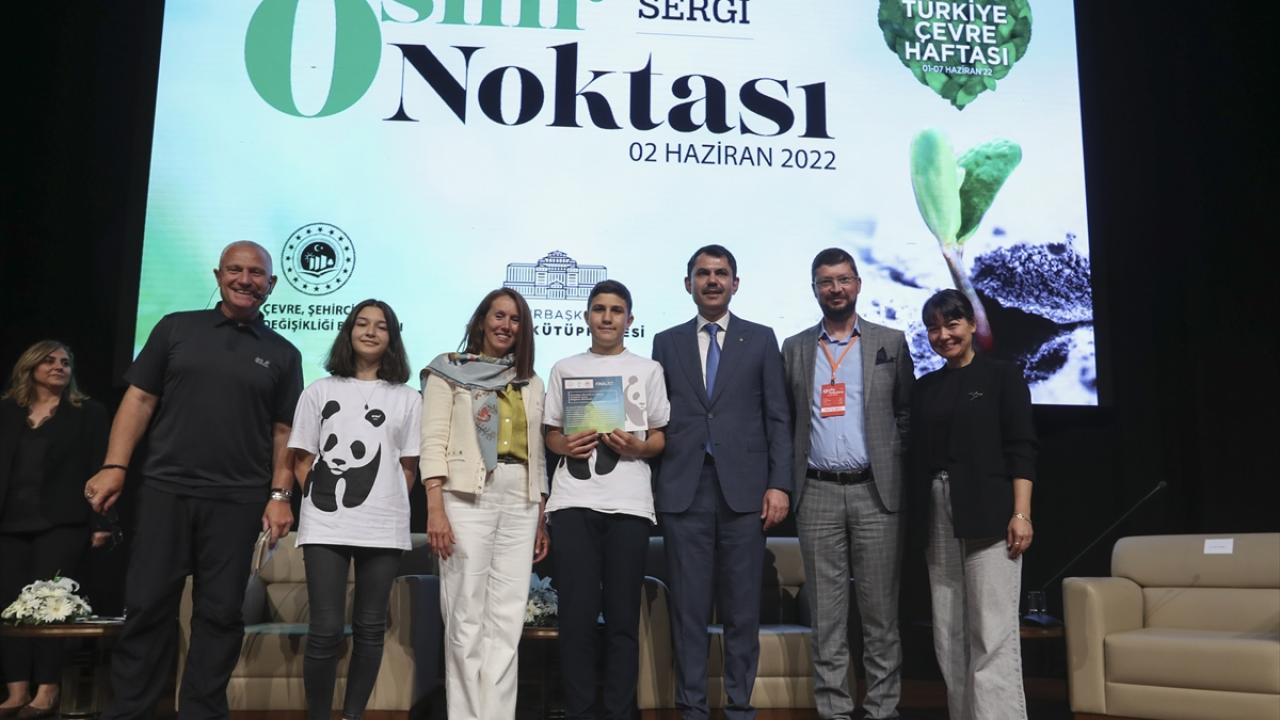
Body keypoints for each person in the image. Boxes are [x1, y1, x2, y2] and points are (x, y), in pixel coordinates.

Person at [83, 241, 303, 720]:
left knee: (221, 615)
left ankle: (202, 713)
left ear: (271, 283)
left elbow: (284, 433)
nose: (245, 279)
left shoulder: (284, 353)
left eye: (256, 273)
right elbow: (139, 400)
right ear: (218, 275)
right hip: (166, 490)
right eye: (235, 270)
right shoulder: (176, 328)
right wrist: (115, 466)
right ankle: (131, 713)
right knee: (147, 607)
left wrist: (280, 495)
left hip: (238, 500)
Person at [650, 245, 792, 720]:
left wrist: (779, 485)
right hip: (684, 490)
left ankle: (739, 706)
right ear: (688, 284)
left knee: (741, 609)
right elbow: (657, 416)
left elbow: (778, 418)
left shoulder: (761, 338)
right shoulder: (666, 342)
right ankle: (691, 707)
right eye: (703, 273)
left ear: (735, 283)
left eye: (721, 273)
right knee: (688, 610)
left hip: (745, 493)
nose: (712, 280)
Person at [780, 248, 913, 720]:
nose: (835, 289)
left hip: (876, 492)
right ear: (814, 289)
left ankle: (882, 709)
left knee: (880, 614)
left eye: (843, 280)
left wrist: (892, 459)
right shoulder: (794, 347)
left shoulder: (890, 342)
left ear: (857, 284)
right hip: (816, 491)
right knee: (826, 615)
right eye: (825, 282)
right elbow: (786, 419)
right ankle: (834, 709)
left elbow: (905, 411)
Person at [287, 299, 420, 720]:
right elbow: (302, 457)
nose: (370, 331)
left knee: (370, 627)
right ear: (348, 332)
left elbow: (408, 466)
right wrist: (319, 498)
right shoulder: (319, 391)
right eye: (361, 323)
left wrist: (385, 501)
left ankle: (353, 715)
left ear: (392, 338)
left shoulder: (408, 398)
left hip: (383, 526)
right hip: (325, 526)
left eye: (381, 326)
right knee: (325, 629)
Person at [420, 287, 549, 720]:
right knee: (465, 615)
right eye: (499, 316)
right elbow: (432, 442)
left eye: (515, 319)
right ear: (481, 320)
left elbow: (538, 453)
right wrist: (435, 507)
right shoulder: (449, 371)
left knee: (507, 620)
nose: (506, 325)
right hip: (465, 496)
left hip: (520, 500)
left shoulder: (530, 380)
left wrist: (541, 514)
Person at [543, 280, 670, 720]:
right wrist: (563, 445)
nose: (607, 317)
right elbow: (551, 433)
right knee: (576, 619)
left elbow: (659, 437)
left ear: (629, 320)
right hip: (573, 503)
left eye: (616, 310)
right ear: (586, 317)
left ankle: (619, 711)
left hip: (629, 505)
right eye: (599, 309)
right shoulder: (564, 367)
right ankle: (579, 710)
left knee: (622, 620)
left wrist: (640, 447)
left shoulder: (648, 369)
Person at [910, 289, 1037, 720]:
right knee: (948, 633)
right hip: (939, 513)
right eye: (934, 328)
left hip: (991, 513)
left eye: (952, 324)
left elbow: (1022, 448)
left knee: (992, 631)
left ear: (971, 325)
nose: (943, 335)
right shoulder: (926, 387)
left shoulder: (1002, 376)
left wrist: (1021, 513)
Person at [0, 341, 111, 719]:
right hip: (9, 522)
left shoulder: (88, 413)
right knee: (8, 606)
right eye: (49, 361)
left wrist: (101, 522)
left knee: (50, 605)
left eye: (65, 362)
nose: (59, 367)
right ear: (30, 367)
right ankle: (16, 690)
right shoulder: (6, 411)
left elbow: (100, 469)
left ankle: (47, 690)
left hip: (62, 522)